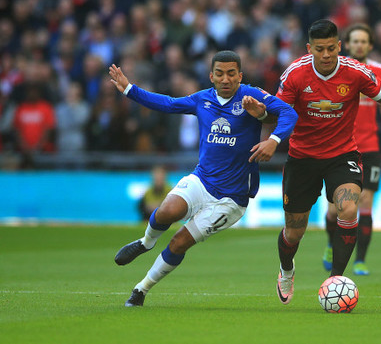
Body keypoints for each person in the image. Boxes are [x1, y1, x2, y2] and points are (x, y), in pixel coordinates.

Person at [250, 19, 381, 305]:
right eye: (320, 49)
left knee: (349, 208)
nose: (326, 55)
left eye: (331, 48)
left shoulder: (355, 72)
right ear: (309, 49)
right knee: (294, 230)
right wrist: (262, 117)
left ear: (339, 46)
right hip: (302, 157)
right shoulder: (295, 74)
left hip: (342, 155)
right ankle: (286, 270)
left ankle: (335, 279)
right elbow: (279, 114)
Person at [108, 50, 297, 307]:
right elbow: (168, 104)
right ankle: (145, 242)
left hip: (231, 199)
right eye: (220, 73)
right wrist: (130, 89)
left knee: (179, 242)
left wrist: (273, 140)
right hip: (202, 179)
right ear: (211, 76)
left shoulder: (252, 96)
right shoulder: (202, 99)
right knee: (167, 211)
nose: (226, 79)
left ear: (240, 76)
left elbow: (289, 114)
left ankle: (141, 289)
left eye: (231, 73)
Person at [321, 23, 381, 276]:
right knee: (335, 209)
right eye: (354, 41)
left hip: (370, 147)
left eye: (363, 41)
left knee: (365, 201)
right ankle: (330, 243)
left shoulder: (378, 70)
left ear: (370, 45)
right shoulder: (335, 70)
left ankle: (360, 260)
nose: (358, 45)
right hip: (341, 147)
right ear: (347, 45)